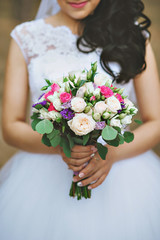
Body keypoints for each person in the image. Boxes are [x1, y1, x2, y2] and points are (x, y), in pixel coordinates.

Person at [0, 0, 160, 239]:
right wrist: (60, 146)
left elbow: (155, 121)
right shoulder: (26, 36)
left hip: (125, 178)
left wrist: (111, 154)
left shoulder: (132, 35)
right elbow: (11, 126)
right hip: (43, 182)